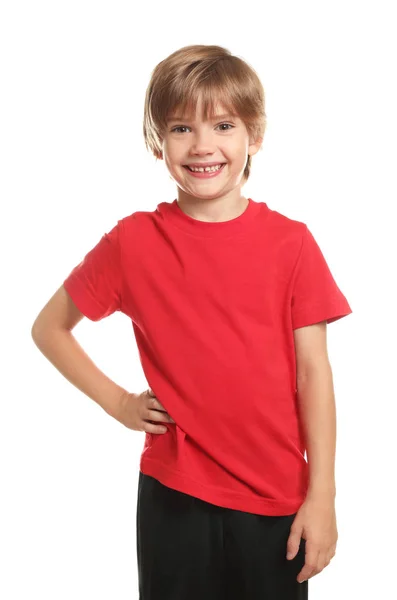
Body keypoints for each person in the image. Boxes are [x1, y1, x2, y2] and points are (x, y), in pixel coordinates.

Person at [31, 44, 352, 600]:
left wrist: (321, 493)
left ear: (254, 136)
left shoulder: (292, 244)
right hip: (174, 495)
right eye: (181, 128)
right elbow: (49, 329)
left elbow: (314, 374)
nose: (203, 146)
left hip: (277, 498)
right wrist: (121, 405)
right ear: (157, 142)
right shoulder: (133, 242)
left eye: (223, 125)